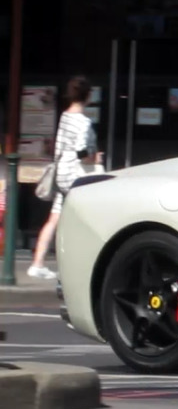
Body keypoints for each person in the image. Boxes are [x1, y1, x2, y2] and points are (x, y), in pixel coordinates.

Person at [28, 76, 101, 280]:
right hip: (75, 175)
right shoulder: (83, 121)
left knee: (55, 218)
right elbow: (81, 152)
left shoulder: (65, 116)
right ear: (87, 96)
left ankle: (37, 263)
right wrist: (95, 157)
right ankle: (82, 266)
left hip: (61, 172)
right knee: (86, 217)